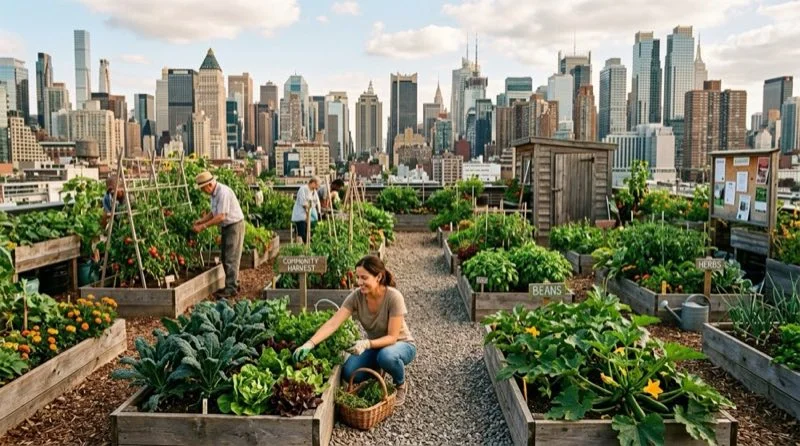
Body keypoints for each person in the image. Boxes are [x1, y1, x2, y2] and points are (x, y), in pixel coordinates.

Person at [293, 255, 416, 406]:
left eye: (364, 278)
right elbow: (333, 323)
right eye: (358, 277)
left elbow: (392, 337)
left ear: (378, 277)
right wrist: (309, 344)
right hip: (376, 346)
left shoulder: (393, 297)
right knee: (348, 372)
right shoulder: (357, 297)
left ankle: (401, 384)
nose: (359, 282)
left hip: (401, 345)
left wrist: (366, 343)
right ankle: (378, 370)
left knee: (387, 356)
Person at [192, 171, 245, 298]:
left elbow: (221, 216)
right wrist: (201, 220)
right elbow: (214, 212)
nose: (202, 191)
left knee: (231, 257)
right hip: (227, 226)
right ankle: (232, 284)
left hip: (234, 225)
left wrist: (203, 226)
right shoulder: (214, 194)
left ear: (209, 185)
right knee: (225, 256)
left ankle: (231, 288)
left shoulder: (223, 193)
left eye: (203, 188)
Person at [291, 177, 322, 243]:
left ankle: (308, 246)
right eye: (317, 185)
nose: (317, 187)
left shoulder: (314, 191)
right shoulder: (303, 189)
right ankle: (304, 247)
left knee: (312, 232)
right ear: (313, 183)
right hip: (301, 216)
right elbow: (303, 203)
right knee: (303, 234)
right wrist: (307, 215)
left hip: (310, 216)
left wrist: (318, 213)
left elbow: (317, 202)